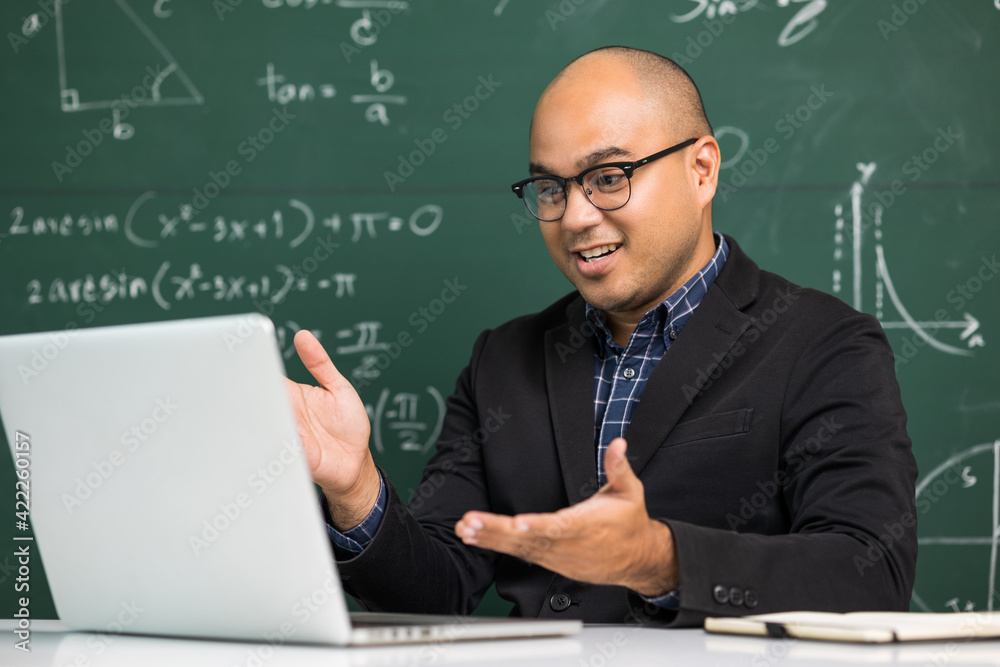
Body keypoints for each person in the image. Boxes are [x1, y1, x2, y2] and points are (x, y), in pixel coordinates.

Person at [285, 46, 917, 627]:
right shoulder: (501, 362)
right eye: (551, 188)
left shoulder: (823, 344)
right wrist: (355, 489)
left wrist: (662, 561)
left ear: (702, 170)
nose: (577, 217)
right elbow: (433, 593)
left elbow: (869, 575)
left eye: (609, 176)